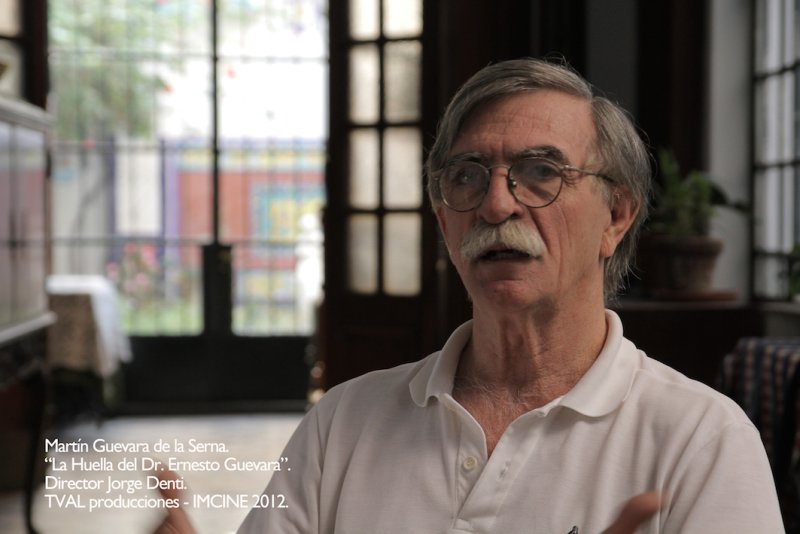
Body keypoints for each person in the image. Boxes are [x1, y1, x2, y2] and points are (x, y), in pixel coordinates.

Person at [162, 57, 784, 533]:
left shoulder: (701, 440)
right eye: (467, 176)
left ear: (616, 216)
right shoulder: (341, 424)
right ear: (445, 222)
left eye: (541, 172)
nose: (495, 204)